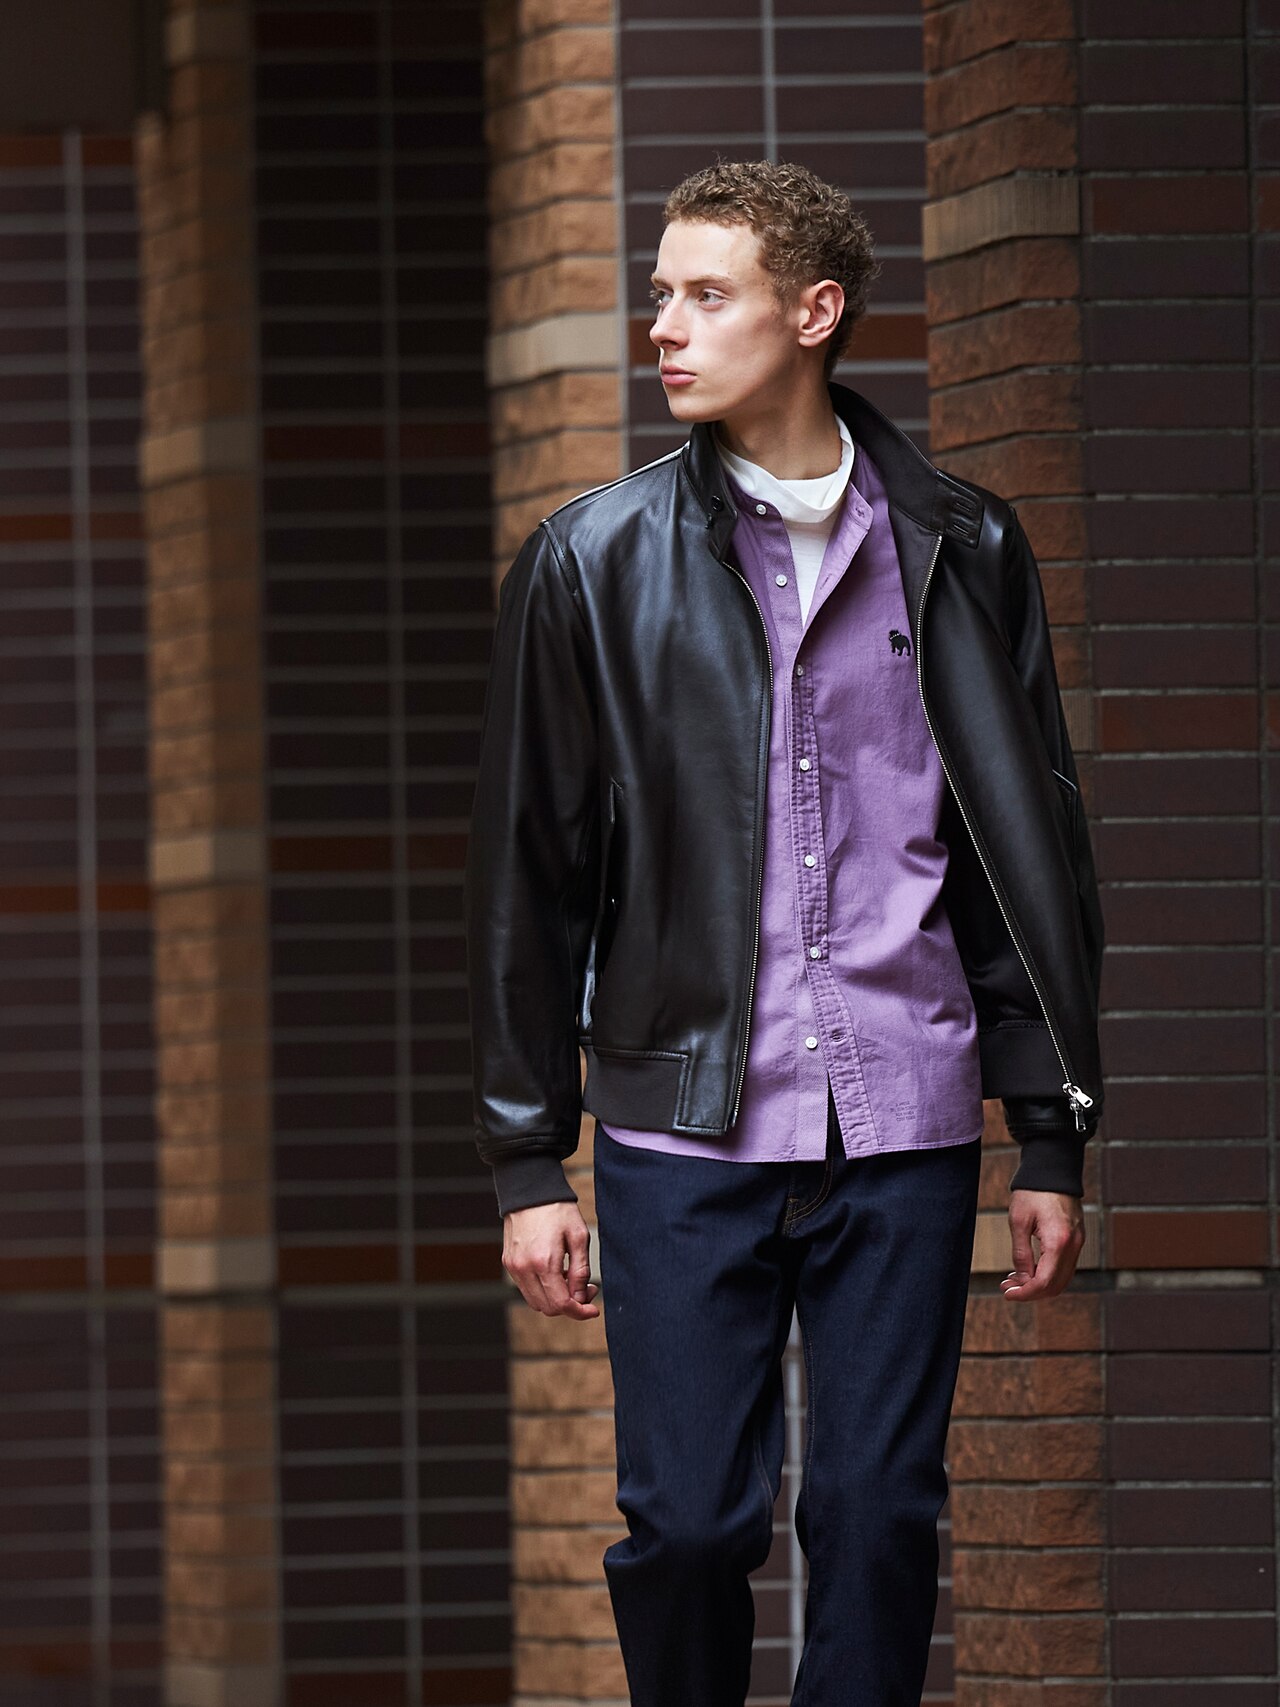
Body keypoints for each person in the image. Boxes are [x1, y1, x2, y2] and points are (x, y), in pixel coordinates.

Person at [464, 158, 1104, 1707]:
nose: (664, 328)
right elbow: (528, 876)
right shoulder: (590, 562)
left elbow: (1022, 854)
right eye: (660, 294)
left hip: (907, 1115)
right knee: (688, 1527)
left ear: (814, 313)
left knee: (880, 1518)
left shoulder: (965, 549)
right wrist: (527, 1158)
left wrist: (1051, 1131)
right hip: (685, 1123)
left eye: (707, 295)